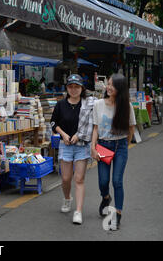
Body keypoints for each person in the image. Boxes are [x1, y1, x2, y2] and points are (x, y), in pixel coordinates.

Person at [90, 73, 136, 231]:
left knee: (117, 181)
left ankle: (117, 214)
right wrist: (93, 147)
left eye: (112, 85)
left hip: (121, 146)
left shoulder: (126, 106)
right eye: (108, 84)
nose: (108, 87)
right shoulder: (98, 104)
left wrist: (126, 145)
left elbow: (131, 128)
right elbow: (95, 128)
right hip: (103, 145)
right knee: (103, 182)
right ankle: (106, 197)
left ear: (120, 89)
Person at [50, 74, 96, 225]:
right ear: (67, 88)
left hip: (82, 145)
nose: (74, 89)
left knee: (79, 179)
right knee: (65, 178)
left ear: (82, 88)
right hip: (66, 145)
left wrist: (78, 135)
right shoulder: (61, 104)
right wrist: (63, 135)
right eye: (71, 86)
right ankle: (67, 198)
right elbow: (53, 122)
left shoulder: (88, 105)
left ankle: (78, 211)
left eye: (77, 86)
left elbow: (91, 124)